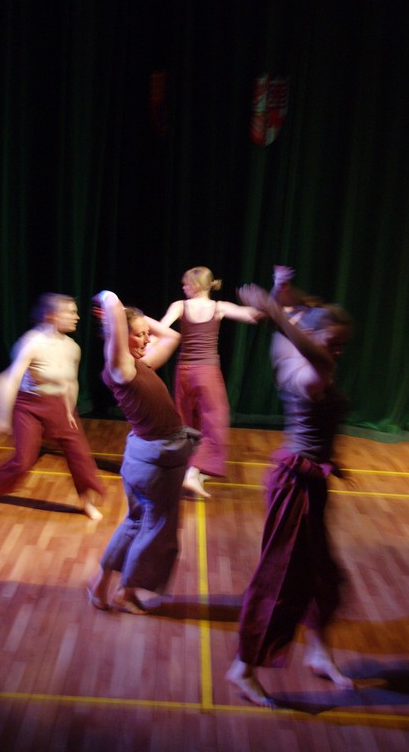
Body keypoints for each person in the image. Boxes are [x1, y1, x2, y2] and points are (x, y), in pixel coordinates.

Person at [226, 283, 354, 707]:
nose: (338, 352)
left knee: (325, 579)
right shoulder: (308, 370)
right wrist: (278, 311)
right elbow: (316, 353)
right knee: (280, 580)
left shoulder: (291, 348)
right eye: (333, 342)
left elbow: (299, 325)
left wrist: (281, 297)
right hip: (292, 485)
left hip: (312, 481)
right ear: (312, 337)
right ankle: (243, 668)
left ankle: (318, 652)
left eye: (343, 345)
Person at [87, 290, 200, 613]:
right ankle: (126, 593)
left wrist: (137, 319)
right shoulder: (122, 368)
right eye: (139, 335)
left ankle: (100, 585)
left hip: (145, 457)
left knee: (135, 522)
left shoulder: (140, 364)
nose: (148, 339)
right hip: (157, 461)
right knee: (157, 531)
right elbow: (111, 303)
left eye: (146, 333)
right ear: (119, 337)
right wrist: (111, 303)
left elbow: (172, 336)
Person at [0, 294, 107, 521]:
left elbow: (71, 382)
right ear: (52, 315)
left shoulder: (72, 347)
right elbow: (12, 378)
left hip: (59, 405)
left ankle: (86, 501)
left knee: (79, 455)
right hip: (29, 406)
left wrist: (69, 410)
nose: (77, 317)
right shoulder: (31, 342)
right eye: (71, 312)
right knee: (23, 460)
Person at [160, 266, 262, 498]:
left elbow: (161, 328)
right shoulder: (219, 307)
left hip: (184, 372)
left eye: (186, 283)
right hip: (207, 373)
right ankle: (192, 472)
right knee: (214, 422)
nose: (183, 287)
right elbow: (252, 315)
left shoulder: (179, 306)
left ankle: (191, 470)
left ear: (196, 285)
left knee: (188, 421)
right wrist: (276, 305)